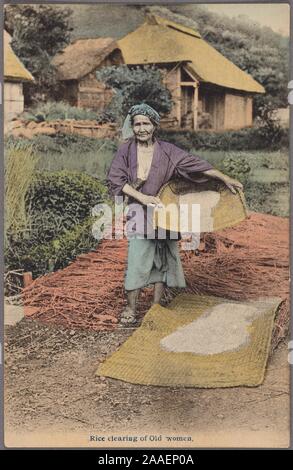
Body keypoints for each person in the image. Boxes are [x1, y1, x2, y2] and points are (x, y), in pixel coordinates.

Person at [107, 103, 242, 324]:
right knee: (138, 259)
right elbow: (116, 180)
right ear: (132, 127)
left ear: (154, 126)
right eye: (137, 124)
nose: (141, 128)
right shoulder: (126, 151)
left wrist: (223, 177)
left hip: (165, 211)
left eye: (146, 124)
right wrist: (142, 198)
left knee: (162, 258)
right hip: (139, 211)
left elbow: (195, 165)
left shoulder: (168, 151)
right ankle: (131, 308)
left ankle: (156, 305)